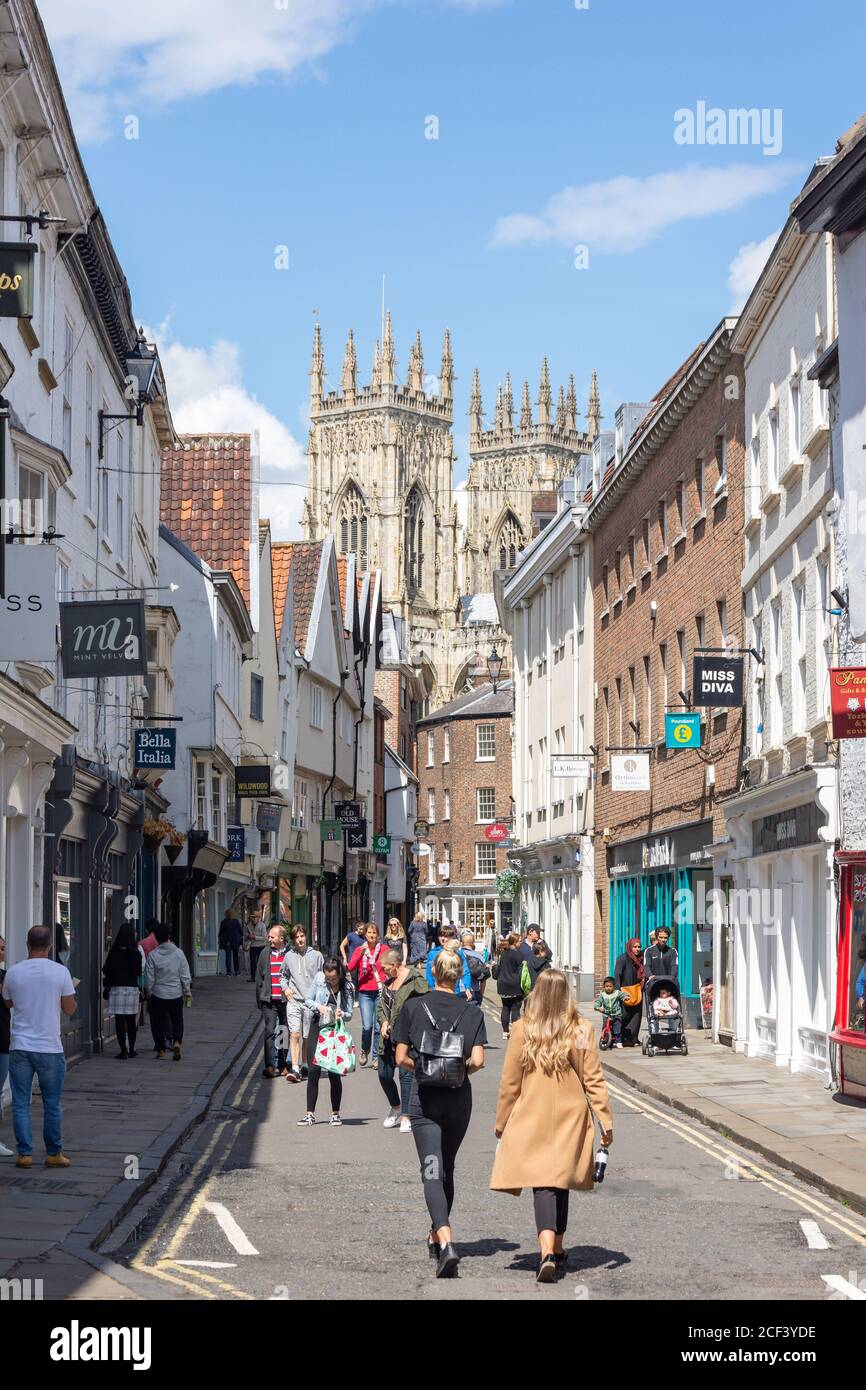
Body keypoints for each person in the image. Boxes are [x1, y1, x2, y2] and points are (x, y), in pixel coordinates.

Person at [490, 969, 613, 1284]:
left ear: (538, 994)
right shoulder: (582, 1029)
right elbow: (594, 1080)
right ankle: (556, 1247)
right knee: (559, 1177)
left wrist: (502, 1121)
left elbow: (510, 1084)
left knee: (543, 1182)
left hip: (533, 1113)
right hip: (571, 1115)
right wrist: (605, 1120)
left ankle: (547, 1251)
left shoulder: (522, 1029)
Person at [394, 946, 486, 1279]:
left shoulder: (414, 1007)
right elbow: (477, 1061)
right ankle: (436, 1234)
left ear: (434, 973)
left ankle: (445, 1240)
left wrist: (424, 1069)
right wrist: (456, 1073)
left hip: (425, 1101)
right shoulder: (473, 1013)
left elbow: (401, 1056)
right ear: (459, 975)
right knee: (446, 1167)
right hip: (459, 1101)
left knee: (431, 1168)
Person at [2, 925, 76, 1168]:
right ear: (50, 946)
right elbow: (69, 1008)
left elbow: (8, 1002)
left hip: (20, 1046)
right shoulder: (60, 972)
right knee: (51, 1103)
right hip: (49, 1047)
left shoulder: (13, 972)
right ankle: (54, 1153)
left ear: (27, 945)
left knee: (21, 1103)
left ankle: (24, 1154)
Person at [297, 957, 355, 1126]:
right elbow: (307, 1000)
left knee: (333, 1072)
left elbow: (350, 1014)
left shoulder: (347, 987)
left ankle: (335, 1113)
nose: (330, 981)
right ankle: (309, 1114)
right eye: (328, 977)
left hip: (335, 1030)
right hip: (318, 1025)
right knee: (313, 1070)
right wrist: (318, 1007)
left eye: (334, 978)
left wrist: (341, 1014)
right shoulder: (319, 979)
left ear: (340, 975)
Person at [377, 948, 428, 1131]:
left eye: (384, 968)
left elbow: (426, 1003)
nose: (382, 971)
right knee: (384, 1075)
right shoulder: (388, 982)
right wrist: (383, 1022)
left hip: (407, 1036)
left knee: (406, 1076)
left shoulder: (415, 980)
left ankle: (407, 1115)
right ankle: (396, 1106)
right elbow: (381, 1007)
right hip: (387, 1036)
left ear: (394, 965)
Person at [281, 925, 324, 1082]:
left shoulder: (317, 955)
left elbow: (322, 977)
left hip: (310, 1002)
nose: (300, 939)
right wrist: (285, 988)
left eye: (302, 936)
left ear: (306, 936)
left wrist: (321, 999)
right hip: (293, 1001)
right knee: (295, 1034)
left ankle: (304, 1065)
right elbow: (283, 976)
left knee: (306, 1036)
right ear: (293, 940)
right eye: (296, 937)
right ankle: (295, 1067)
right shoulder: (289, 957)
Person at [144, 922, 192, 1060]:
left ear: (157, 939)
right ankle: (176, 1041)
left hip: (158, 994)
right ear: (169, 936)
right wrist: (186, 991)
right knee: (177, 1020)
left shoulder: (153, 955)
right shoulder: (179, 953)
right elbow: (185, 975)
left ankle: (160, 1049)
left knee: (159, 1022)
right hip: (175, 994)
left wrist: (149, 992)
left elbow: (149, 977)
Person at [348, 922, 388, 1066]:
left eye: (374, 933)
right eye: (369, 933)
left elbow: (391, 965)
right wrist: (360, 954)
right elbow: (351, 967)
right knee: (367, 1026)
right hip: (364, 992)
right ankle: (365, 1049)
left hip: (379, 991)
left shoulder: (384, 949)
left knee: (378, 1027)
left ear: (378, 935)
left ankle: (376, 1057)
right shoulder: (360, 949)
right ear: (365, 934)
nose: (371, 935)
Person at [102, 925, 144, 1059]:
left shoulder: (114, 953)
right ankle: (132, 1049)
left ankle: (123, 1050)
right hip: (132, 989)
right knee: (131, 1020)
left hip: (117, 989)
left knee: (119, 1020)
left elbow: (106, 969)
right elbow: (138, 972)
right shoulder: (136, 953)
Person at [255, 924, 290, 1077]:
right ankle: (270, 1066)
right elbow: (259, 978)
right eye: (269, 936)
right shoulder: (265, 953)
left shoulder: (290, 954)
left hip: (286, 1001)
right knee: (270, 1031)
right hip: (269, 1000)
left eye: (272, 936)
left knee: (283, 1031)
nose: (269, 939)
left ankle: (282, 1064)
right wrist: (260, 1000)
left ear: (281, 938)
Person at [613, 936, 645, 1047]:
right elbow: (617, 974)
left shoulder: (641, 959)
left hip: (637, 991)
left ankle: (632, 1039)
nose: (637, 949)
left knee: (636, 1015)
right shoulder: (623, 958)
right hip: (625, 991)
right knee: (624, 1015)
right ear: (630, 947)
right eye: (635, 947)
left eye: (639, 947)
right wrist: (618, 991)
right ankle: (620, 1038)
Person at [492, 932, 525, 1039]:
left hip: (502, 984)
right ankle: (515, 1031)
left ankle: (505, 1032)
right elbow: (521, 970)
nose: (521, 943)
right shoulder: (517, 954)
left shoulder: (503, 953)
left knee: (505, 1008)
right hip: (514, 984)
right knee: (515, 1008)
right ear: (515, 942)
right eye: (520, 941)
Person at [426, 928, 473, 1001]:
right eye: (440, 936)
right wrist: (431, 989)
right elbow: (429, 974)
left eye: (446, 936)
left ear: (451, 938)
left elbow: (465, 971)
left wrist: (467, 988)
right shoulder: (433, 953)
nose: (442, 939)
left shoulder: (458, 953)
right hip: (437, 992)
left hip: (454, 992)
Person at [139, 918, 162, 1052]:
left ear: (147, 929)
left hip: (150, 984)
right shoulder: (165, 942)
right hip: (166, 983)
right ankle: (169, 1039)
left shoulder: (143, 943)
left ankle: (158, 1042)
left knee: (154, 1015)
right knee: (166, 1014)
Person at [0, 936, 12, 1156]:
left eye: (4, 948)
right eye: (0, 949)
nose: (2, 952)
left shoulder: (7, 976)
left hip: (2, 1038)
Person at [594, 976, 626, 1047]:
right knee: (605, 1027)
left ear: (614, 986)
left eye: (610, 986)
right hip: (606, 1014)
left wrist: (625, 997)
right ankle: (604, 1040)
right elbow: (598, 1002)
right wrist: (598, 1007)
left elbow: (623, 995)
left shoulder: (617, 993)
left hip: (616, 1014)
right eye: (606, 986)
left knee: (617, 1027)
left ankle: (618, 1041)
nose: (608, 988)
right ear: (604, 986)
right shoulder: (602, 995)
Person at [461, 930, 491, 1004]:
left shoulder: (457, 955)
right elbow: (483, 978)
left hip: (459, 990)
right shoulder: (480, 957)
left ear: (462, 943)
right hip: (474, 991)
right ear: (473, 943)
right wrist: (481, 994)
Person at [245, 908, 268, 982]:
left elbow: (265, 937)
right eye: (252, 917)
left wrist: (255, 937)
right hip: (253, 946)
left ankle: (261, 977)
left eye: (255, 917)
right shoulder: (249, 925)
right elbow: (246, 935)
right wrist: (248, 936)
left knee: (260, 962)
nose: (253, 918)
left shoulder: (262, 925)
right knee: (252, 962)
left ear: (258, 918)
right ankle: (253, 977)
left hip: (261, 946)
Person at [218, 908, 243, 977]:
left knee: (228, 957)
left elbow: (220, 933)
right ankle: (237, 971)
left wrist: (221, 940)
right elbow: (241, 932)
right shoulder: (236, 922)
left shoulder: (223, 922)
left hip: (227, 942)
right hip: (236, 941)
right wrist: (240, 941)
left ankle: (228, 972)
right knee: (235, 956)